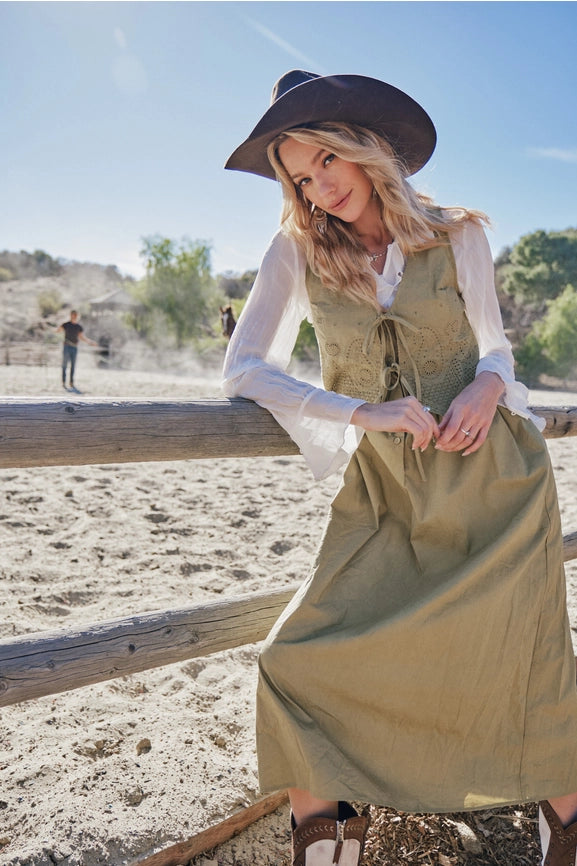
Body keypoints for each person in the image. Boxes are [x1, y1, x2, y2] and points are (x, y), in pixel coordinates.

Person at [222, 71, 577, 866]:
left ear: (363, 147)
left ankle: (565, 831)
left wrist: (487, 388)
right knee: (296, 660)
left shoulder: (457, 233)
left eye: (324, 162)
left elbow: (494, 346)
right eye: (300, 176)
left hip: (496, 483)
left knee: (526, 662)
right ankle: (330, 847)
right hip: (382, 491)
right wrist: (360, 412)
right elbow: (245, 368)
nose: (318, 186)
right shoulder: (296, 250)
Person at [56, 310, 98, 390]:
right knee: (64, 365)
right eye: (73, 315)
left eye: (75, 315)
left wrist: (90, 342)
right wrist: (52, 329)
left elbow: (82, 337)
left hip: (74, 347)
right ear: (71, 315)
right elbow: (58, 330)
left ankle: (71, 382)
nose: (74, 316)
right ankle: (63, 382)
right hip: (66, 346)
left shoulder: (79, 327)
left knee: (73, 366)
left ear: (77, 316)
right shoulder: (66, 324)